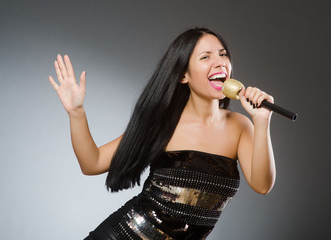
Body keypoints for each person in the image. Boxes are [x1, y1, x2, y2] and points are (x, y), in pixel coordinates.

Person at [49, 27, 276, 240]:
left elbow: (262, 185)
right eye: (206, 57)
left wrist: (262, 121)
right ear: (183, 75)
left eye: (223, 54)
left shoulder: (240, 126)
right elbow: (92, 163)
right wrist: (76, 112)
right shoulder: (162, 123)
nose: (220, 63)